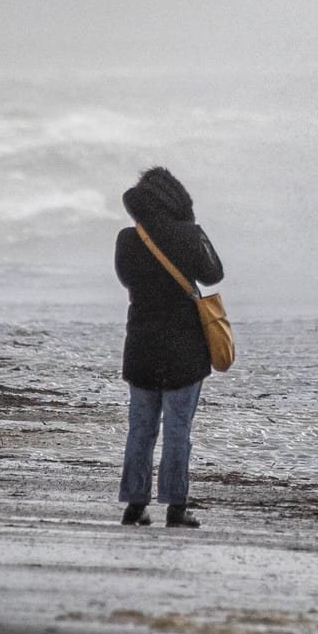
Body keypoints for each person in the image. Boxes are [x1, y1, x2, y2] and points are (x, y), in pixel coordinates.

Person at [114, 166, 223, 529]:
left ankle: (135, 504)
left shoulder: (128, 239)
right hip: (185, 349)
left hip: (142, 345)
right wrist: (196, 231)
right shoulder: (189, 235)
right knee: (178, 431)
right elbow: (213, 274)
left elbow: (127, 279)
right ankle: (176, 508)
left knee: (140, 430)